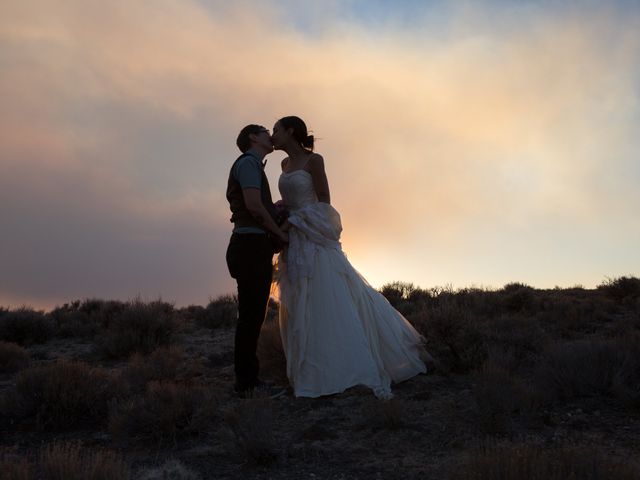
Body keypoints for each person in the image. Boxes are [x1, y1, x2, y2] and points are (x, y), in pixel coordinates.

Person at [271, 116, 427, 399]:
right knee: (301, 300)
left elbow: (324, 201)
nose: (273, 136)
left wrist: (293, 221)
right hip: (293, 237)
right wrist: (283, 214)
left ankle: (348, 367)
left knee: (326, 295)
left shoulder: (314, 161)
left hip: (311, 232)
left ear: (290, 131)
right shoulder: (282, 165)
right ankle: (312, 369)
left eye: (277, 130)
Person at [225, 124, 288, 398]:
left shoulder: (253, 166)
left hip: (250, 246)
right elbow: (253, 206)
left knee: (252, 316)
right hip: (250, 246)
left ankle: (248, 381)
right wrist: (279, 234)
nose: (270, 136)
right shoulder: (249, 164)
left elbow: (256, 206)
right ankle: (247, 384)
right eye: (265, 131)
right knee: (251, 318)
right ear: (253, 137)